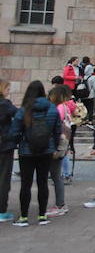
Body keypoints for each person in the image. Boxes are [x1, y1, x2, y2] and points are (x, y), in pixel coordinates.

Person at [8, 81, 61, 227]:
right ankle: (42, 215)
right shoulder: (51, 108)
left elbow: (14, 131)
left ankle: (24, 217)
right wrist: (54, 145)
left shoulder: (24, 109)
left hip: (26, 150)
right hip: (46, 150)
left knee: (26, 184)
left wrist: (20, 141)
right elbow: (57, 130)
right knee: (43, 182)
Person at [46, 86, 73, 217]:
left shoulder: (58, 109)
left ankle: (60, 204)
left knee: (56, 176)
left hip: (57, 144)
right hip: (64, 143)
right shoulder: (66, 107)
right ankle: (60, 203)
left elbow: (55, 127)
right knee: (57, 176)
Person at [0, 80, 18, 223]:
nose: (8, 91)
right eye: (7, 88)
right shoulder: (5, 104)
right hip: (4, 145)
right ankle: (1, 210)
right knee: (4, 177)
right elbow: (19, 116)